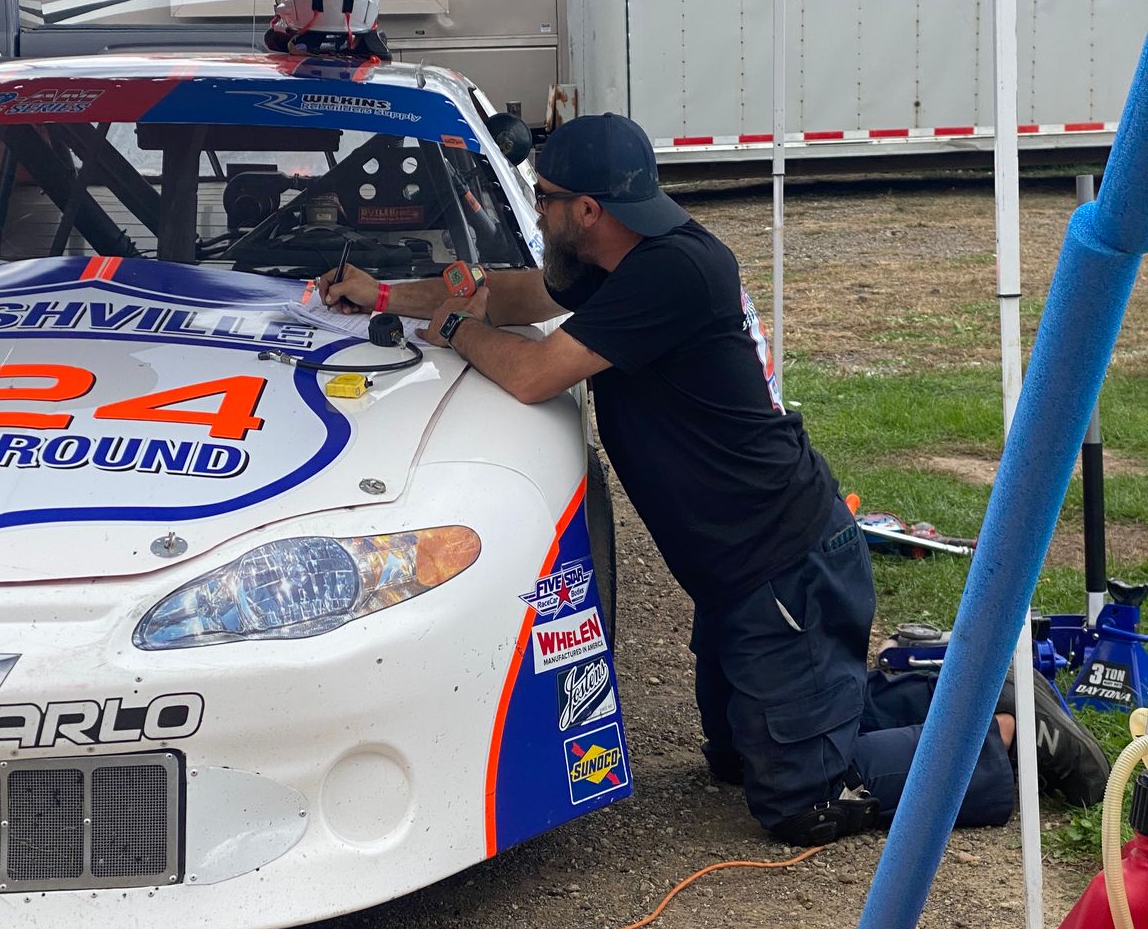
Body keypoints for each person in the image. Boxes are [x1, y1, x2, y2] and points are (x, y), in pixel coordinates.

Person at [320, 113, 1109, 843]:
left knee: (803, 798)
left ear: (586, 210)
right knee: (734, 758)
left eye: (545, 197)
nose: (538, 208)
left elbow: (532, 372)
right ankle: (965, 695)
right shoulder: (620, 258)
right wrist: (383, 294)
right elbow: (514, 292)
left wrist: (456, 329)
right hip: (745, 576)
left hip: (785, 568)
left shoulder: (671, 274)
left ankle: (1010, 734)